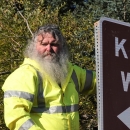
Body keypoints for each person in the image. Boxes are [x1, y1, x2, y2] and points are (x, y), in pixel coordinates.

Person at [2, 24, 96, 130]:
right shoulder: (24, 75)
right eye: (44, 44)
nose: (49, 48)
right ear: (33, 47)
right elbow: (16, 118)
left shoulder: (71, 71)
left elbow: (100, 81)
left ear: (61, 47)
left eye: (54, 44)